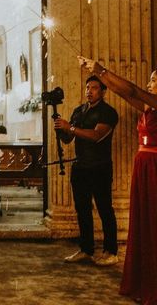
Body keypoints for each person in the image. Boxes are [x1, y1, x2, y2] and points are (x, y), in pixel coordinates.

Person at [79, 57, 157, 303]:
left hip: (155, 166)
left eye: (155, 79)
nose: (150, 81)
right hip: (143, 165)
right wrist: (100, 75)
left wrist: (101, 70)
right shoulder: (148, 108)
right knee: (144, 221)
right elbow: (125, 94)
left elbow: (133, 90)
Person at [54, 74, 119, 266]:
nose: (89, 91)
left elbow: (97, 135)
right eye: (87, 88)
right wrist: (61, 129)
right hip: (80, 167)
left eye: (94, 88)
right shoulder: (79, 111)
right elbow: (68, 139)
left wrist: (71, 128)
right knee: (82, 209)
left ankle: (111, 251)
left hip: (99, 167)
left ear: (103, 91)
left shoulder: (108, 112)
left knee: (104, 208)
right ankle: (86, 250)